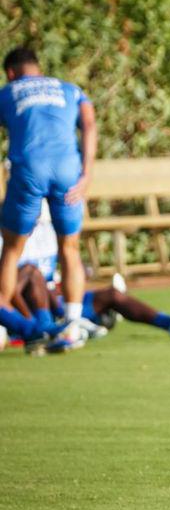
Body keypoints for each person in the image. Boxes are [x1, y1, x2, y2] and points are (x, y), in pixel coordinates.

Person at [0, 46, 97, 352]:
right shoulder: (69, 89)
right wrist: (86, 174)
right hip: (69, 170)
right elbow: (90, 123)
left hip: (30, 167)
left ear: (11, 72)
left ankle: (4, 325)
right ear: (38, 68)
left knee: (13, 247)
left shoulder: (8, 91)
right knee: (69, 247)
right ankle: (72, 326)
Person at [8, 263, 170, 354]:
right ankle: (42, 330)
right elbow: (7, 289)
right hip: (37, 310)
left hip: (59, 302)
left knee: (113, 294)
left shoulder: (46, 230)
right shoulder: (10, 240)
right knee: (30, 272)